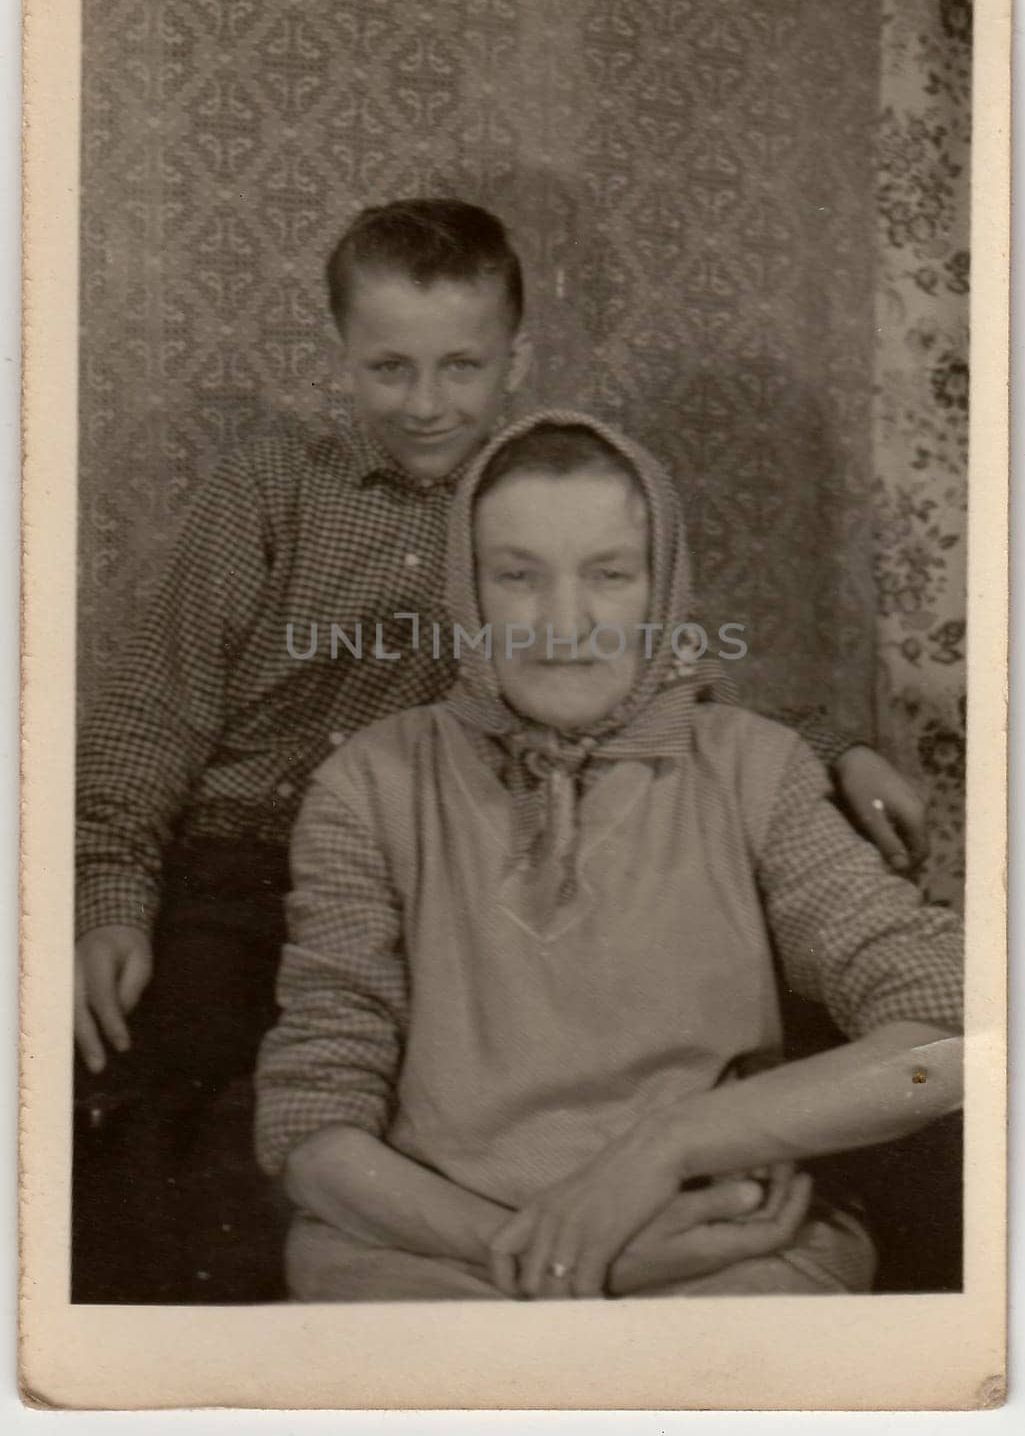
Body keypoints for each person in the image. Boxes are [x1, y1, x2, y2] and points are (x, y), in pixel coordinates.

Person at [75, 201, 930, 1300]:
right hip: (243, 857)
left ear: (513, 360)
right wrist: (109, 887)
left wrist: (830, 750)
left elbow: (662, 665)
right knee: (166, 1110)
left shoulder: (546, 494)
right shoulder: (269, 490)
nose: (425, 404)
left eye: (459, 366)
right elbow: (156, 701)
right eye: (388, 367)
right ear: (339, 355)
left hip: (458, 860)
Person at [255, 413, 963, 1302]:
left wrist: (664, 1147)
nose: (563, 623)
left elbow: (950, 1039)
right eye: (517, 577)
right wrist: (552, 1253)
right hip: (431, 1253)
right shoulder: (368, 783)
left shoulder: (756, 767)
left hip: (713, 1247)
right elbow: (314, 1128)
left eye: (609, 575)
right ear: (465, 591)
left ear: (661, 587)